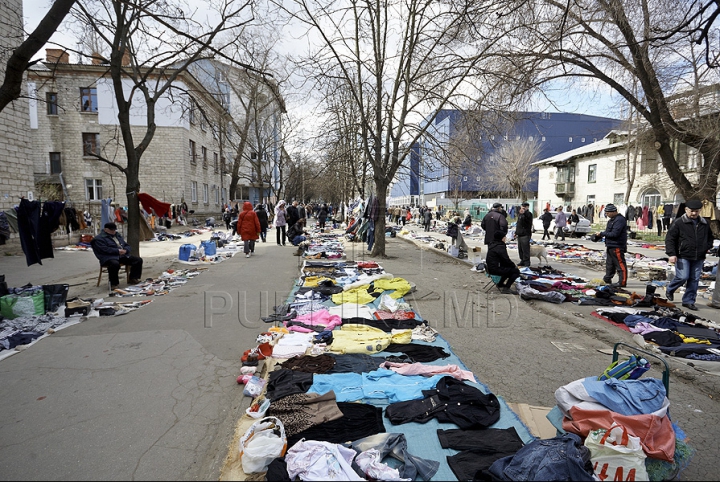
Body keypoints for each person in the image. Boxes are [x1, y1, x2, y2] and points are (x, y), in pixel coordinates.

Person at [664, 199, 714, 311]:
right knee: (683, 276)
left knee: (694, 279)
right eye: (692, 211)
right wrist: (672, 254)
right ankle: (670, 289)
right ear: (686, 209)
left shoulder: (704, 223)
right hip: (683, 255)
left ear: (700, 211)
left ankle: (688, 301)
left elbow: (710, 237)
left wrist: (707, 246)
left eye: (696, 211)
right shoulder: (679, 222)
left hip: (699, 256)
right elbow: (670, 239)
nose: (694, 213)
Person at [91, 222, 144, 289]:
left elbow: (126, 245)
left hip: (121, 256)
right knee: (114, 264)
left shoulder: (117, 235)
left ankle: (133, 278)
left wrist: (126, 250)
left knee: (137, 260)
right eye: (111, 230)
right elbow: (104, 250)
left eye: (114, 230)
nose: (113, 232)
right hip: (108, 257)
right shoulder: (99, 239)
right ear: (105, 230)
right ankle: (114, 284)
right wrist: (117, 251)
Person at [595, 203, 628, 287]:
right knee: (610, 264)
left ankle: (622, 282)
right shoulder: (612, 220)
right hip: (610, 245)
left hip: (617, 245)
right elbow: (609, 233)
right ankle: (607, 279)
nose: (606, 214)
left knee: (620, 264)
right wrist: (599, 236)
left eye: (607, 213)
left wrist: (602, 233)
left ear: (613, 212)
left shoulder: (620, 220)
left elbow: (615, 234)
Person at [515, 202, 533, 267]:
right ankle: (522, 260)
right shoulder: (520, 214)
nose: (523, 208)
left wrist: (524, 212)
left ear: (527, 207)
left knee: (525, 249)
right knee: (520, 249)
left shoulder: (528, 214)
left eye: (525, 207)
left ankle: (527, 262)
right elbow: (519, 224)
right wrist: (516, 232)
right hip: (519, 234)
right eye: (522, 206)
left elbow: (527, 221)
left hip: (525, 234)